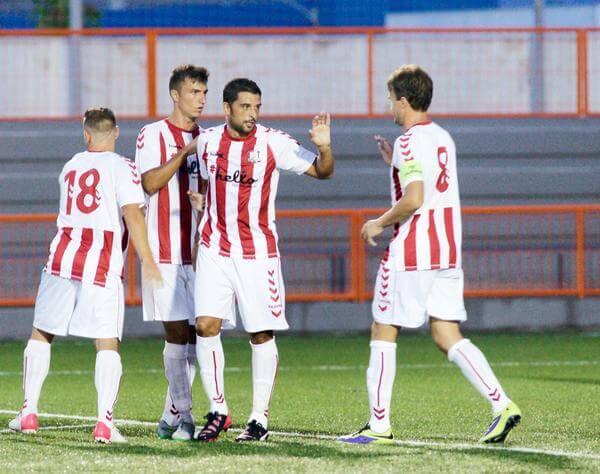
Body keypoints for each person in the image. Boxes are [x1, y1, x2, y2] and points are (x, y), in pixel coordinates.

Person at [338, 65, 521, 445]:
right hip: (447, 253)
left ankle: (378, 425)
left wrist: (378, 222)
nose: (389, 105)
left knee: (383, 329)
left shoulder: (407, 141)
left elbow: (415, 198)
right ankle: (502, 404)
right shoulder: (442, 138)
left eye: (391, 98)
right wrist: (395, 164)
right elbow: (432, 184)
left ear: (404, 101)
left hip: (411, 253)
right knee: (446, 332)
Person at [190, 78, 334, 442]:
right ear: (226, 108)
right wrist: (204, 207)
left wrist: (325, 148)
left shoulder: (274, 143)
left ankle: (259, 419)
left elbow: (323, 171)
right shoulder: (207, 142)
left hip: (257, 254)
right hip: (214, 248)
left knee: (260, 333)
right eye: (245, 107)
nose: (252, 114)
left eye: (257, 107)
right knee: (205, 326)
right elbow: (212, 187)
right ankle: (218, 410)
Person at [8, 108, 162, 444]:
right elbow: (133, 215)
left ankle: (29, 412)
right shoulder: (124, 167)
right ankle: (105, 424)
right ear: (116, 132)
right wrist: (147, 260)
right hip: (102, 263)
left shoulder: (71, 166)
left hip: (62, 258)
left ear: (86, 134)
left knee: (42, 333)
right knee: (106, 342)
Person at [134, 64, 209, 441]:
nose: (201, 99)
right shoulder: (153, 135)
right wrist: (184, 152)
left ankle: (171, 414)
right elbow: (148, 182)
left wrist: (205, 201)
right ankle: (187, 418)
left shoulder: (211, 139)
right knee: (177, 334)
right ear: (176, 95)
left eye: (204, 93)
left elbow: (216, 190)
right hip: (163, 251)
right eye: (194, 92)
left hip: (202, 255)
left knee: (200, 336)